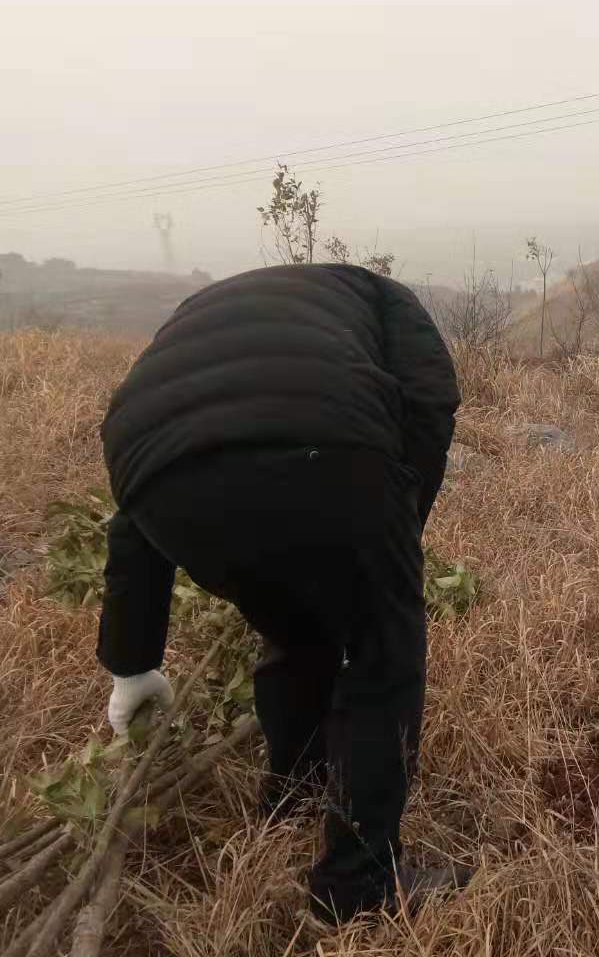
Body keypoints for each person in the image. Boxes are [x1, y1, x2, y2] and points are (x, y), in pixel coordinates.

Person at [97, 263, 466, 924]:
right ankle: (359, 884)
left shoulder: (203, 313)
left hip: (151, 470)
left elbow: (132, 523)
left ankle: (293, 792)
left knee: (294, 625)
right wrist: (398, 536)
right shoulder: (388, 298)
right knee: (381, 652)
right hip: (327, 442)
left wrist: (132, 664)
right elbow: (432, 398)